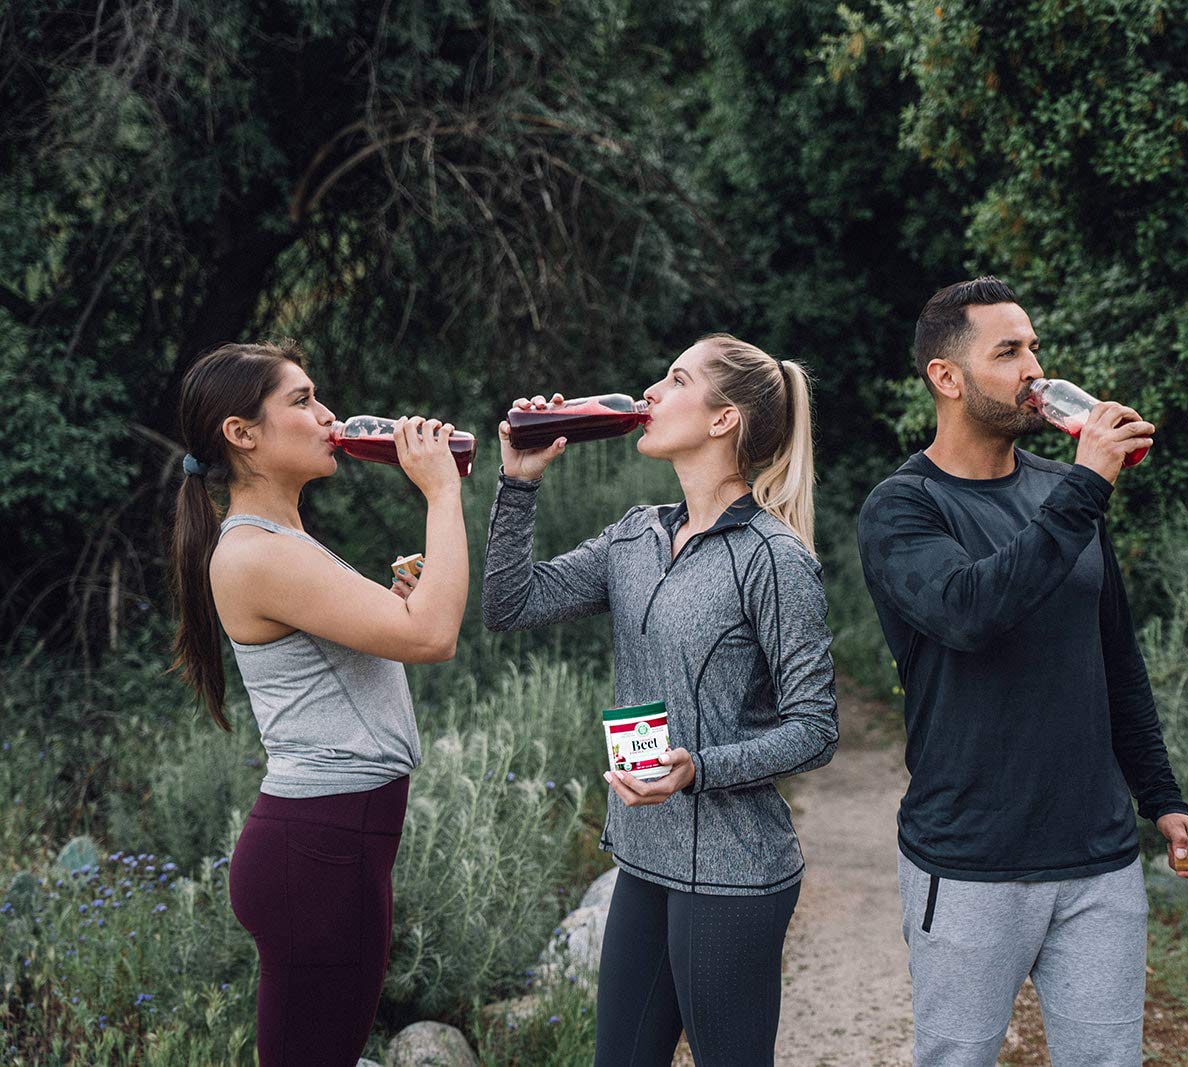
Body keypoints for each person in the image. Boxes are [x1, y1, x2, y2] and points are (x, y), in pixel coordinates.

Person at [856, 277, 1188, 1066]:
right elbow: (969, 610)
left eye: (1035, 347)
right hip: (970, 859)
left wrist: (1162, 797)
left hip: (1098, 860)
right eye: (1008, 350)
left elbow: (1115, 657)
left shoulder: (1063, 490)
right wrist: (1088, 486)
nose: (1034, 368)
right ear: (947, 377)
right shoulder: (903, 507)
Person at [482, 334, 838, 1067]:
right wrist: (519, 482)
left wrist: (695, 766)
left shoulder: (773, 558)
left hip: (735, 873)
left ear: (722, 420)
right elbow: (508, 603)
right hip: (644, 857)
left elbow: (816, 728)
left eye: (676, 379)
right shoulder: (636, 535)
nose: (650, 392)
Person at [169, 341, 468, 1066]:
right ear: (242, 434)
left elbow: (401, 632)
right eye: (301, 400)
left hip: (335, 842)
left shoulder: (284, 539)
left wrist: (393, 613)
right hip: (319, 847)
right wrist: (442, 492)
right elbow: (432, 636)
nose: (328, 414)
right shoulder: (258, 552)